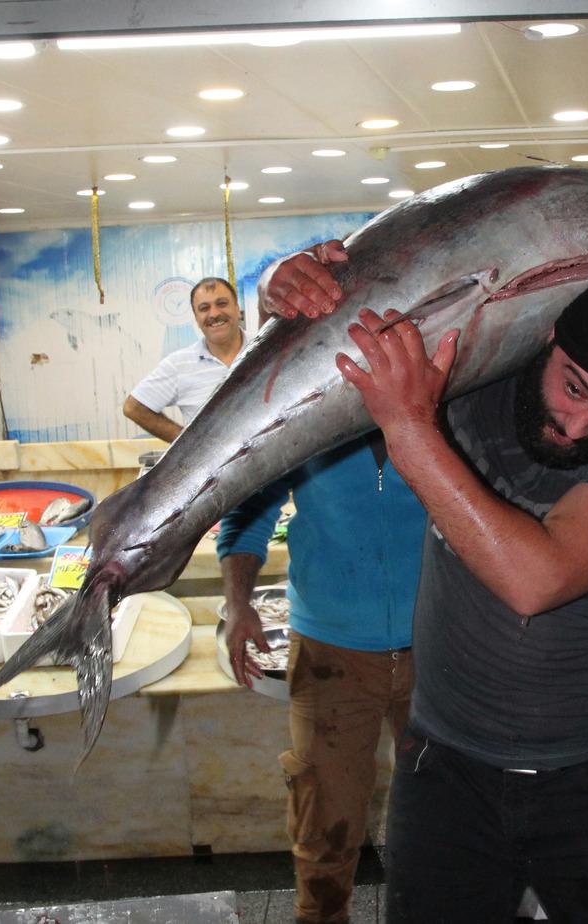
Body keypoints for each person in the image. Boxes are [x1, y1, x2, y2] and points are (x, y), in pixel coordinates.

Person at [266, 254, 588, 922]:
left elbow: (533, 579)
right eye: (575, 388)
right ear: (550, 338)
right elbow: (340, 355)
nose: (579, 426)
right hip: (446, 770)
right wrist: (293, 289)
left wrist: (411, 429)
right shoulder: (474, 387)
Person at [218, 245, 427, 924]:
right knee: (324, 824)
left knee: (443, 820)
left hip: (440, 646)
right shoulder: (304, 414)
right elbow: (247, 508)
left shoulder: (439, 398)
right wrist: (237, 602)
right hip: (332, 652)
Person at [123, 276, 249, 441]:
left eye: (222, 303)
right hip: (217, 466)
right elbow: (133, 408)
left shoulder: (268, 347)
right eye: (204, 308)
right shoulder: (179, 365)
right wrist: (187, 443)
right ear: (196, 318)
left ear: (237, 308)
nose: (214, 313)